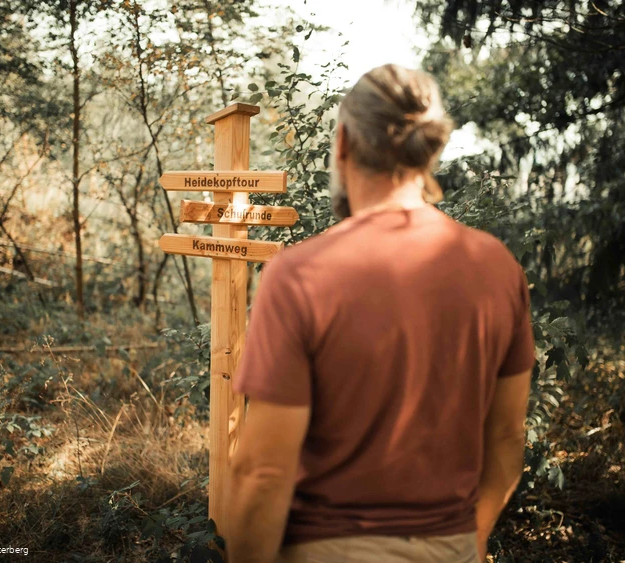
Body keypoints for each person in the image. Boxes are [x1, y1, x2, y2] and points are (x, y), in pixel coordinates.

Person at [226, 64, 535, 563]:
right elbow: (506, 436)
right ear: (430, 149)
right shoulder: (496, 267)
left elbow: (263, 472)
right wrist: (470, 541)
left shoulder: (301, 273)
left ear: (343, 142)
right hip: (452, 548)